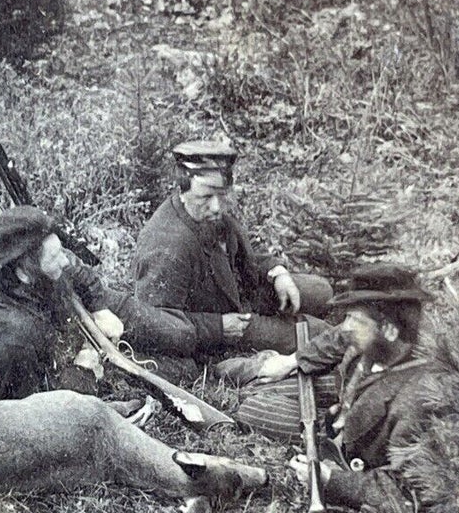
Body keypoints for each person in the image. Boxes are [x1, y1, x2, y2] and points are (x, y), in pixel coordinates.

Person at [234, 263, 439, 509]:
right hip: (347, 404)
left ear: (389, 330)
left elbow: (406, 488)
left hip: (351, 444)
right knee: (258, 389)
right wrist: (293, 361)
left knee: (253, 409)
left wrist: (331, 480)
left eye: (356, 320)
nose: (346, 326)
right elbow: (339, 337)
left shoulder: (416, 399)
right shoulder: (383, 339)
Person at [131, 139, 335, 370]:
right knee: (320, 334)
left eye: (221, 195)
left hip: (243, 295)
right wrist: (219, 328)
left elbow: (242, 251)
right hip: (226, 326)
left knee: (322, 291)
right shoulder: (167, 245)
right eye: (206, 197)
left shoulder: (207, 211)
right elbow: (155, 322)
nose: (217, 207)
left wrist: (277, 272)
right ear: (182, 190)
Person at [0, 205, 128, 401]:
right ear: (25, 272)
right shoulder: (15, 342)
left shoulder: (35, 264)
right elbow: (24, 410)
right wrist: (83, 374)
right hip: (50, 377)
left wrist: (100, 308)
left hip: (75, 326)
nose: (65, 261)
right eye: (56, 257)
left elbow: (78, 271)